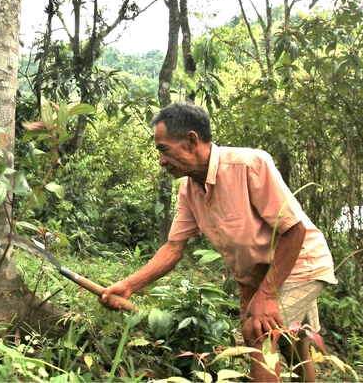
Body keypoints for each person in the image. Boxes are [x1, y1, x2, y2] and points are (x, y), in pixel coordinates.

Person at [100, 102, 336, 382]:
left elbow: (294, 231)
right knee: (291, 339)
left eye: (164, 150)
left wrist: (267, 296)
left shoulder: (249, 165)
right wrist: (128, 286)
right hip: (258, 275)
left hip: (300, 264)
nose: (161, 160)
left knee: (258, 333)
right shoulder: (189, 190)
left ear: (190, 141)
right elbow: (173, 248)